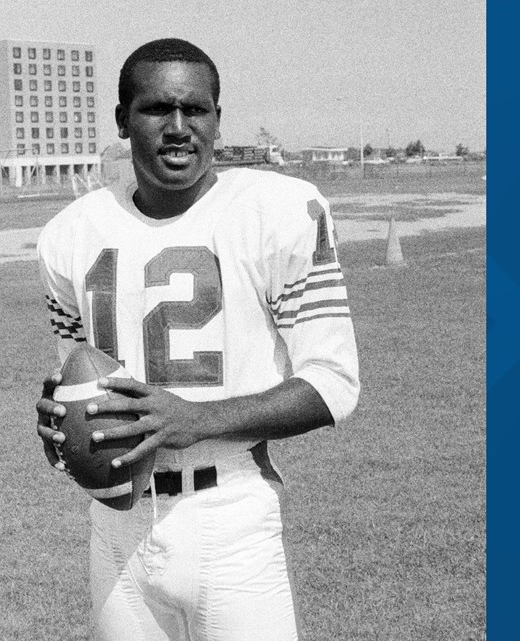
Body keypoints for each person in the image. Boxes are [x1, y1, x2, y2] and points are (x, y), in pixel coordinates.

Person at [35, 38, 359, 641]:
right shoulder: (69, 236)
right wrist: (61, 419)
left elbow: (332, 384)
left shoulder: (278, 211)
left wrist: (195, 420)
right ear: (123, 121)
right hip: (117, 526)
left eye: (197, 110)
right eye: (157, 109)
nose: (180, 128)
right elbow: (83, 377)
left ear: (216, 117)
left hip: (231, 517)